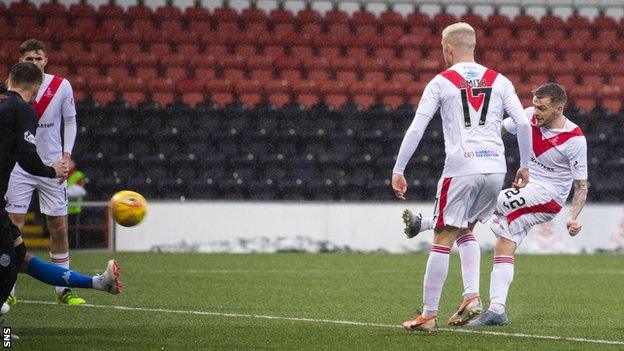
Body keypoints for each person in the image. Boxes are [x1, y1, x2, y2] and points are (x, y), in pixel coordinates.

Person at [392, 22, 532, 332]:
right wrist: (524, 165)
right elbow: (523, 125)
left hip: (461, 168)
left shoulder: (441, 82)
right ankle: (471, 297)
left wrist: (399, 168)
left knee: (442, 237)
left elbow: (417, 127)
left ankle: (428, 315)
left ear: (448, 49)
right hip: (495, 169)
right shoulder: (500, 80)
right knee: (466, 229)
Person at [0, 63, 121, 334]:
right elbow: (28, 158)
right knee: (10, 261)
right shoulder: (22, 109)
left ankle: (98, 283)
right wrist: (50, 170)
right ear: (34, 88)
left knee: (19, 257)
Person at [469, 83, 588, 326]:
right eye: (534, 106)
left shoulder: (574, 140)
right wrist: (484, 151)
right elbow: (501, 127)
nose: (536, 112)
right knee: (505, 239)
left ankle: (429, 223)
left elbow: (581, 185)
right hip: (529, 189)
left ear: (559, 109)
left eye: (542, 108)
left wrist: (573, 216)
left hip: (549, 197)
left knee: (494, 197)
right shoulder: (528, 117)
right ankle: (497, 309)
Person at [4, 39, 82, 305]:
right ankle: (9, 289)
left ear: (46, 60)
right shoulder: (14, 89)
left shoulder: (61, 86)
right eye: (29, 59)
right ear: (21, 61)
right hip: (20, 166)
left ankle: (63, 288)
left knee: (58, 227)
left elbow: (70, 121)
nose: (35, 63)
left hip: (52, 166)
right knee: (13, 226)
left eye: (39, 59)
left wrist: (67, 156)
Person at [66, 160, 87, 247]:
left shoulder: (78, 175)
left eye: (69, 163)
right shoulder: (61, 174)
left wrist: (66, 192)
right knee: (64, 229)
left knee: (74, 229)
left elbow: (80, 191)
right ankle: (67, 246)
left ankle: (75, 246)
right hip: (63, 207)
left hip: (75, 207)